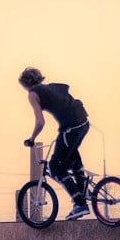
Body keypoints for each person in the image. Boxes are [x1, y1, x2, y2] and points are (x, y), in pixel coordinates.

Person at [18, 67, 90, 220]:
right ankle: (83, 188)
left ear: (25, 84)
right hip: (83, 122)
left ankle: (80, 203)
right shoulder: (51, 88)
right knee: (69, 155)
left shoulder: (32, 94)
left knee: (56, 167)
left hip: (70, 127)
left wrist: (31, 139)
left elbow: (40, 122)